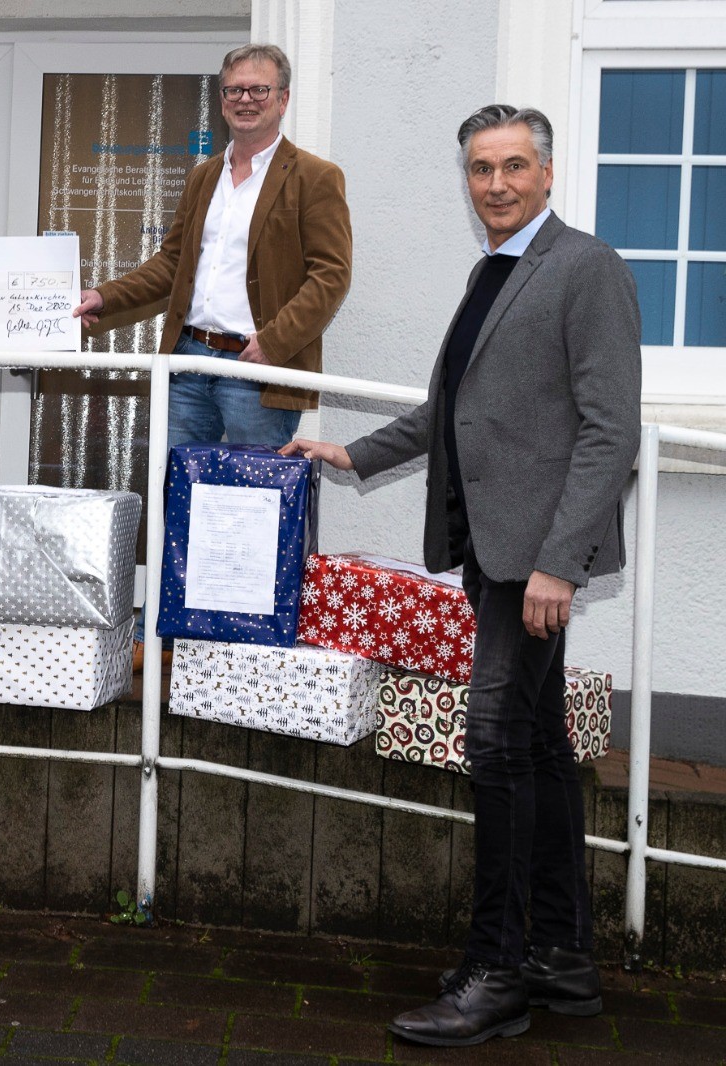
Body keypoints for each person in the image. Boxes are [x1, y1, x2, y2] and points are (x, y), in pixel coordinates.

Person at [285, 105, 641, 1048]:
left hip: (535, 560)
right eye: (481, 168)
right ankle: (561, 958)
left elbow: (612, 433)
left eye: (515, 166)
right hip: (494, 552)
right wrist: (349, 454)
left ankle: (499, 971)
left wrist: (559, 563)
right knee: (539, 744)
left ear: (548, 173)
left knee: (493, 741)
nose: (497, 183)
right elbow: (451, 411)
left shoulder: (584, 268)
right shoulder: (496, 272)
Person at [73, 44, 351, 448]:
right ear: (222, 101)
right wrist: (103, 296)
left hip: (257, 369)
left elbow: (332, 276)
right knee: (177, 496)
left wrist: (273, 344)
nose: (245, 100)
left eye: (259, 90)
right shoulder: (203, 177)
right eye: (234, 91)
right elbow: (171, 264)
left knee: (252, 502)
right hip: (187, 361)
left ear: (283, 98)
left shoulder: (316, 177)